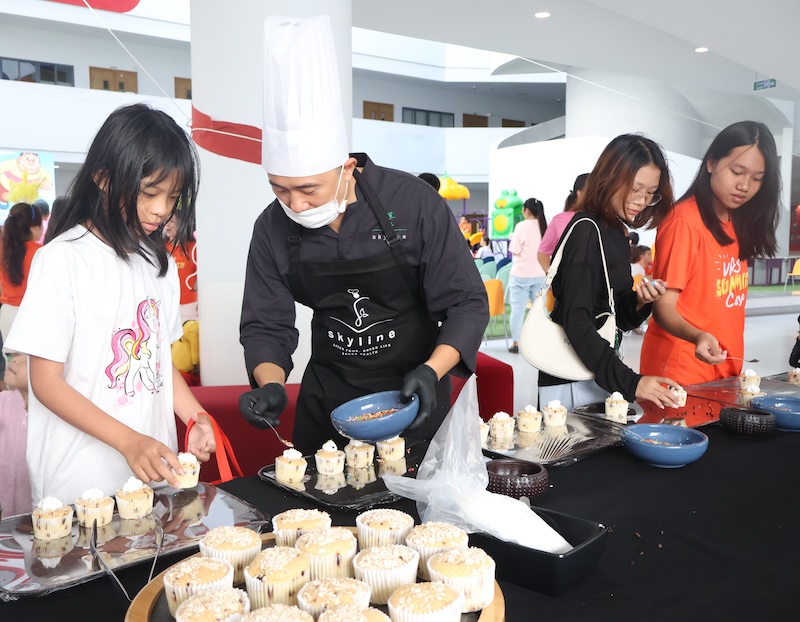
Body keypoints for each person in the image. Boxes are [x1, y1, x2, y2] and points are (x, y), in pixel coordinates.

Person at [239, 15, 488, 455]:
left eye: (308, 189)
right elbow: (266, 323)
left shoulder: (413, 203)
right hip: (328, 399)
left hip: (416, 393)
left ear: (347, 167)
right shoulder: (271, 227)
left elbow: (466, 303)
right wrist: (272, 385)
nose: (294, 204)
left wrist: (433, 371)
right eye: (280, 188)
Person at [5, 103, 216, 504]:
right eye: (149, 193)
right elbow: (45, 382)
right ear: (102, 178)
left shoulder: (160, 265)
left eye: (172, 196)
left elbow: (157, 361)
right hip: (77, 485)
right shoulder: (62, 260)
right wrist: (127, 441)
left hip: (152, 478)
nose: (161, 209)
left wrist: (196, 417)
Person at [537, 134, 681, 411]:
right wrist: (631, 382)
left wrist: (639, 301)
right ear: (610, 177)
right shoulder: (586, 229)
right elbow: (576, 319)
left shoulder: (614, 231)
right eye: (635, 188)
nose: (641, 200)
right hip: (570, 375)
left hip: (596, 368)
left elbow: (614, 319)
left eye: (650, 193)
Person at [641, 121, 781, 386]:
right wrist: (698, 336)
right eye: (737, 172)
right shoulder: (685, 221)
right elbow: (663, 307)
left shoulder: (737, 221)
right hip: (682, 370)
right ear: (711, 163)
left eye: (757, 178)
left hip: (723, 366)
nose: (745, 185)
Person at [507, 198, 547, 354]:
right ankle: (538, 341)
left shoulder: (521, 226)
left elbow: (515, 250)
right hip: (539, 273)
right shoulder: (545, 226)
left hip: (521, 274)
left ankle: (516, 342)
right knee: (539, 309)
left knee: (518, 309)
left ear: (526, 210)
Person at [0, 202, 43, 342]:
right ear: (34, 227)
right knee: (33, 363)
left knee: (12, 362)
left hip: (6, 314)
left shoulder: (3, 251)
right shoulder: (41, 252)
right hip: (31, 314)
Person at [0, 353, 32, 516]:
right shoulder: (3, 401)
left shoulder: (50, 412)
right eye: (16, 354)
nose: (15, 360)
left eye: (26, 359)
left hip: (34, 511)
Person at [537, 173, 589, 272]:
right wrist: (552, 278)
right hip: (568, 283)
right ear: (580, 193)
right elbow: (542, 253)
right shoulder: (560, 220)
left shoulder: (605, 221)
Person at [164, 216, 198, 323]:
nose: (167, 226)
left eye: (172, 222)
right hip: (168, 303)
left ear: (182, 223)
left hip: (190, 304)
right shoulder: (162, 249)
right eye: (166, 222)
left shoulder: (194, 248)